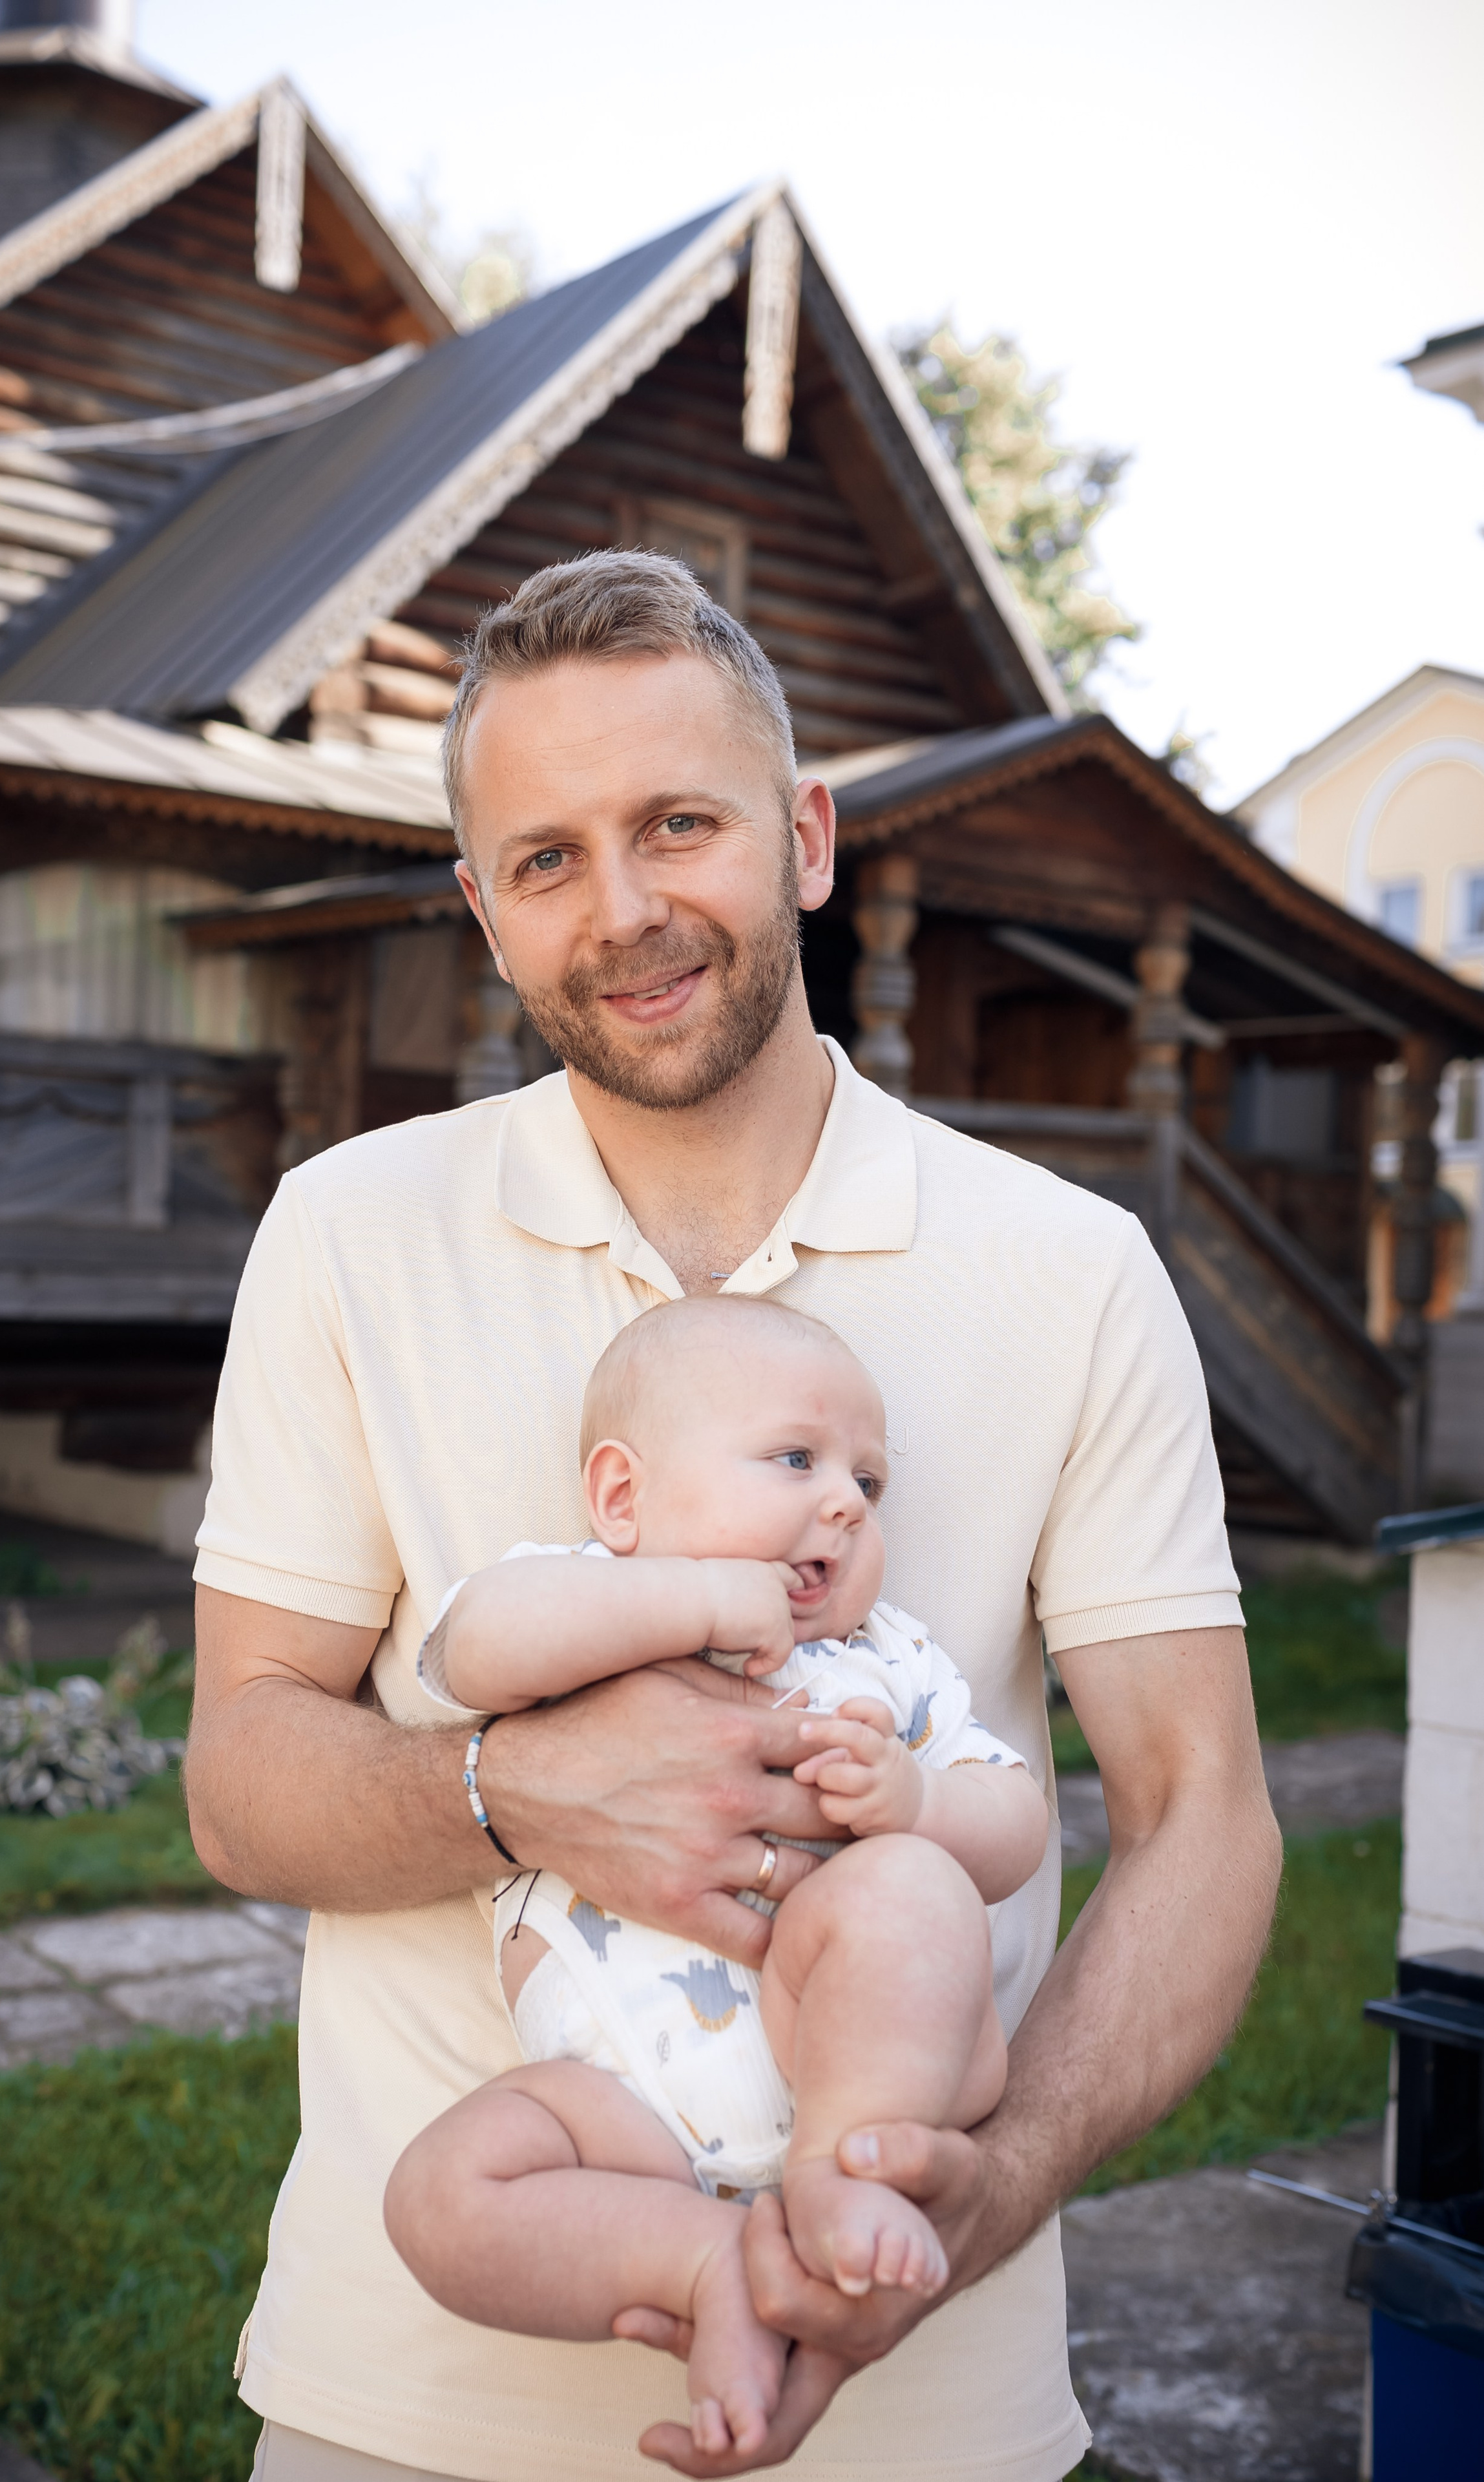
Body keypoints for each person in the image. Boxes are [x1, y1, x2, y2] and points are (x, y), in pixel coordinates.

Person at [186, 549, 1282, 2482]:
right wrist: (513, 1793)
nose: (622, 912)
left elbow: (1201, 1811)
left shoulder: (1074, 1267)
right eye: (545, 861)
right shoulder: (346, 1233)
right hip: (407, 2408)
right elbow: (242, 1772)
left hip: (924, 2404)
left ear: (805, 836)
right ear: (484, 912)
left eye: (677, 823)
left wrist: (973, 2197)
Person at [385, 1296, 1049, 2460]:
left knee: (907, 1891)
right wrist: (691, 1601)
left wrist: (922, 1801)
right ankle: (706, 2261)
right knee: (437, 2197)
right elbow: (474, 1650)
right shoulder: (578, 1597)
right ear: (623, 1499)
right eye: (796, 1457)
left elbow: (1019, 1822)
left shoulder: (886, 1658)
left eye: (869, 1482)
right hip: (614, 2105)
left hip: (826, 2042)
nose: (843, 1498)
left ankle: (841, 2168)